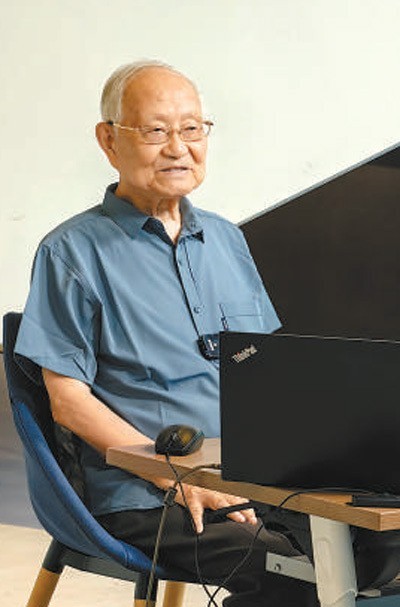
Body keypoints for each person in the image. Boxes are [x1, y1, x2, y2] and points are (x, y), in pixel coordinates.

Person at [15, 60, 318, 606]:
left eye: (192, 129)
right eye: (156, 131)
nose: (178, 148)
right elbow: (68, 402)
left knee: (377, 552)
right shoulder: (70, 253)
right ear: (109, 140)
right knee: (295, 576)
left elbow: (270, 373)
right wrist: (175, 479)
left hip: (252, 481)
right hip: (146, 494)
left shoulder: (227, 240)